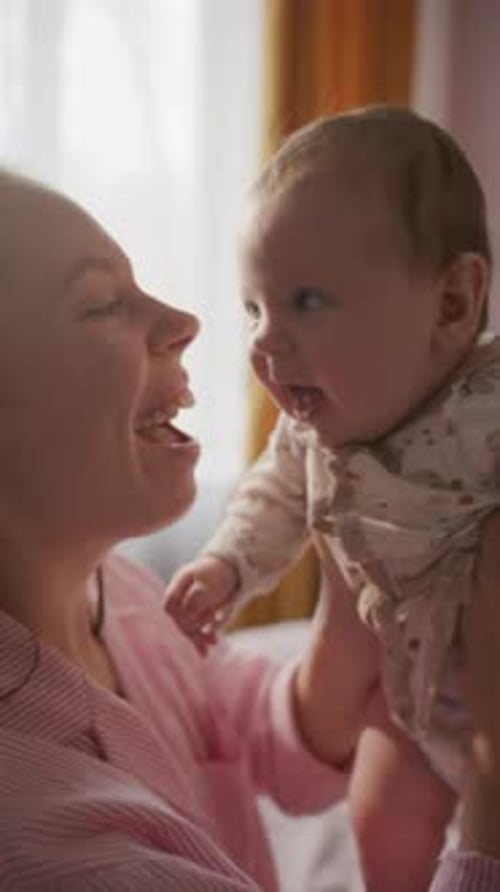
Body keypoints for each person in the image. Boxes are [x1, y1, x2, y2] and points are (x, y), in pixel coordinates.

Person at [0, 166, 382, 891]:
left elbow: (231, 718)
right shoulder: (36, 839)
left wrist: (347, 577)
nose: (185, 322)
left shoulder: (116, 589)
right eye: (101, 305)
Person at [165, 105, 500, 890]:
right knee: (377, 808)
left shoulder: (485, 408)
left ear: (452, 306)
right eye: (254, 306)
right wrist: (226, 566)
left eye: (307, 301)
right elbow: (273, 497)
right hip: (404, 700)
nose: (264, 341)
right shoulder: (315, 433)